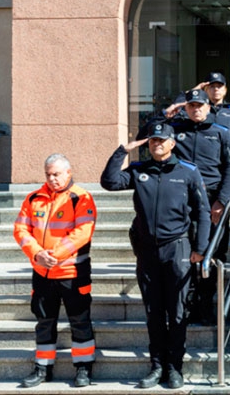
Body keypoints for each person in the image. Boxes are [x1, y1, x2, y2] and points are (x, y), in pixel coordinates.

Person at [101, 124, 211, 389]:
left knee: (176, 312)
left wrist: (201, 248)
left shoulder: (188, 171)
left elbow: (203, 212)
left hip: (178, 248)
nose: (156, 144)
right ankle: (157, 366)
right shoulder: (139, 171)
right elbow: (109, 182)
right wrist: (122, 151)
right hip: (148, 251)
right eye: (152, 141)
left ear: (172, 143)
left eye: (161, 140)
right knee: (153, 312)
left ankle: (174, 367)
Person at [139, 88, 230, 324]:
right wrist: (167, 114)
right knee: (185, 255)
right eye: (191, 105)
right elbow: (146, 135)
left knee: (211, 254)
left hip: (212, 199)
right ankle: (186, 305)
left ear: (208, 108)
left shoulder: (221, 133)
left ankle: (207, 305)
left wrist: (222, 201)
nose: (196, 109)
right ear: (185, 108)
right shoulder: (174, 131)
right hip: (182, 199)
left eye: (200, 105)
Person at [14, 154, 97, 388]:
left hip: (73, 273)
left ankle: (83, 368)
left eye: (56, 174)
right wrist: (37, 253)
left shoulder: (80, 197)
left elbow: (83, 232)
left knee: (79, 320)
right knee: (44, 321)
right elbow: (21, 230)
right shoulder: (33, 198)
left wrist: (54, 254)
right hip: (42, 273)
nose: (52, 179)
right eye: (48, 174)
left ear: (68, 173)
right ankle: (43, 368)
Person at [172, 72, 230, 145]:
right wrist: (193, 92)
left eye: (219, 86)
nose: (216, 89)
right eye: (212, 86)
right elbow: (175, 110)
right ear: (205, 90)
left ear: (225, 90)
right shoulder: (196, 110)